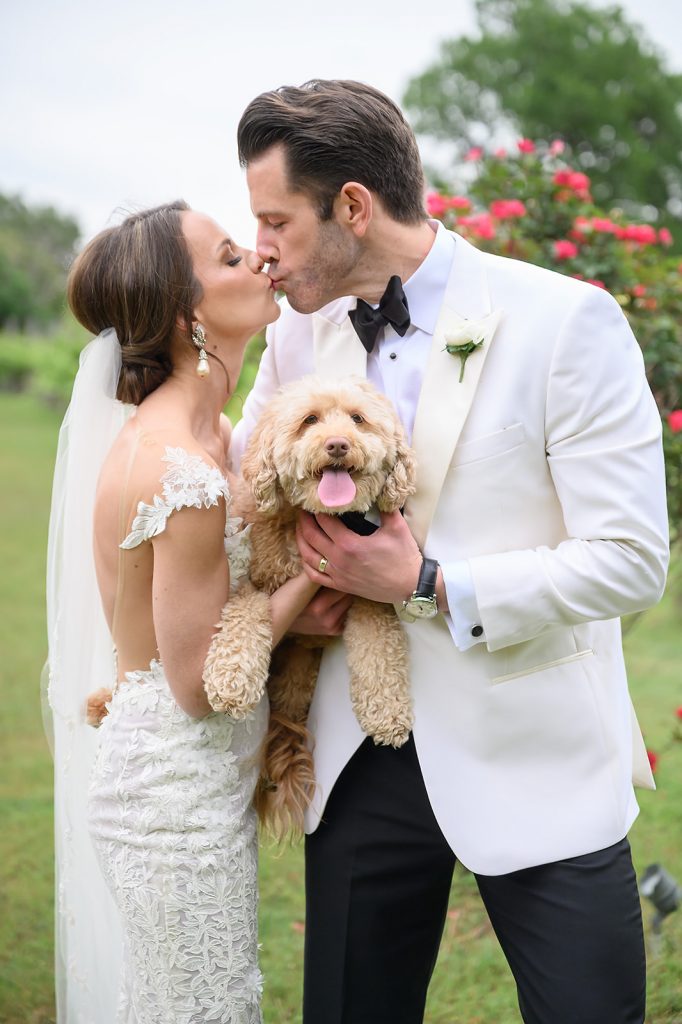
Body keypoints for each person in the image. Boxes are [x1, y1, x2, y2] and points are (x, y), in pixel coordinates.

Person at [230, 81, 670, 1024]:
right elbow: (242, 489)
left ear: (352, 206)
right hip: (361, 754)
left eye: (275, 220)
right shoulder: (298, 336)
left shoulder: (566, 321)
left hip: (537, 751)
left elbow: (632, 558)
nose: (260, 246)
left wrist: (428, 581)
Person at [44, 200, 319, 1024]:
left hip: (197, 788)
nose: (260, 260)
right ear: (186, 314)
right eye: (232, 257)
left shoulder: (214, 437)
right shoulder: (179, 472)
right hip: (173, 808)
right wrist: (315, 577)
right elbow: (199, 683)